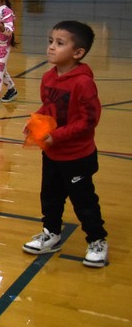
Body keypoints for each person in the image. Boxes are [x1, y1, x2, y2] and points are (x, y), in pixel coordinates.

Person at [21, 21, 109, 267]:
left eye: (59, 43)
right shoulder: (49, 77)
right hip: (52, 153)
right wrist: (35, 121)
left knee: (84, 201)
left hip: (77, 156)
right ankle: (52, 233)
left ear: (78, 53)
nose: (51, 47)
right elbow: (49, 108)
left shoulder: (82, 83)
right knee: (50, 196)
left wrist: (57, 136)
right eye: (50, 41)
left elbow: (88, 120)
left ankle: (97, 240)